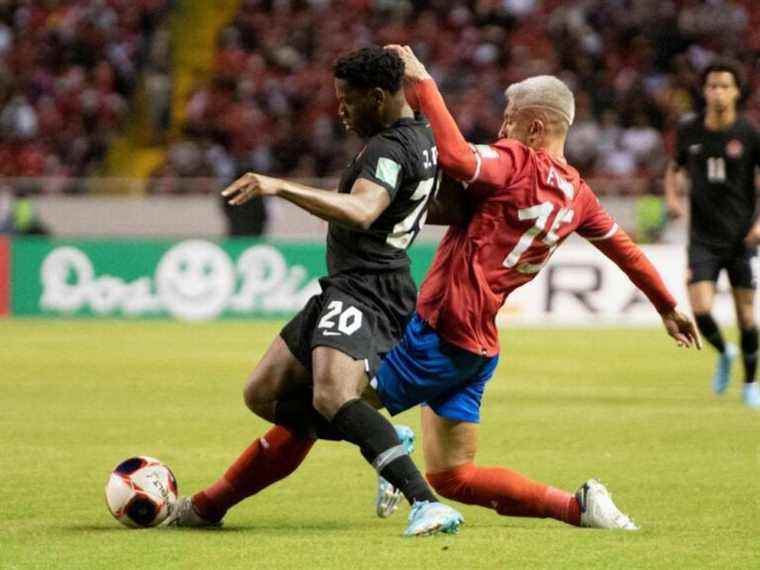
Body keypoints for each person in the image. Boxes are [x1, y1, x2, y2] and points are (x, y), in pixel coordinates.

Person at [364, 45, 701, 530]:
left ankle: (217, 502)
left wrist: (423, 86)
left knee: (335, 406)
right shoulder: (580, 196)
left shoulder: (515, 162)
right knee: (455, 476)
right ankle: (579, 506)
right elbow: (626, 251)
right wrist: (667, 306)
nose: (502, 131)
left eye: (509, 120)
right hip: (479, 345)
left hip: (441, 329)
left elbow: (458, 157)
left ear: (535, 128)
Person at [165, 46, 462, 536]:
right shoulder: (423, 137)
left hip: (370, 288)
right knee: (261, 393)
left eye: (348, 100)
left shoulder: (389, 150)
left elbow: (364, 210)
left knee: (330, 395)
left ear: (379, 96)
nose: (340, 110)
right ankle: (381, 437)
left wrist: (280, 187)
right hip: (346, 285)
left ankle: (426, 503)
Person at [664, 59, 760, 408]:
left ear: (736, 91)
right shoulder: (690, 129)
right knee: (700, 310)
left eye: (724, 85)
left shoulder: (749, 133)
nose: (717, 91)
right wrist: (674, 198)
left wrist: (759, 224)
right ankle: (725, 351)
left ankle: (750, 384)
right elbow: (674, 168)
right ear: (704, 91)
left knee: (746, 315)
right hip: (702, 237)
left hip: (740, 239)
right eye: (712, 86)